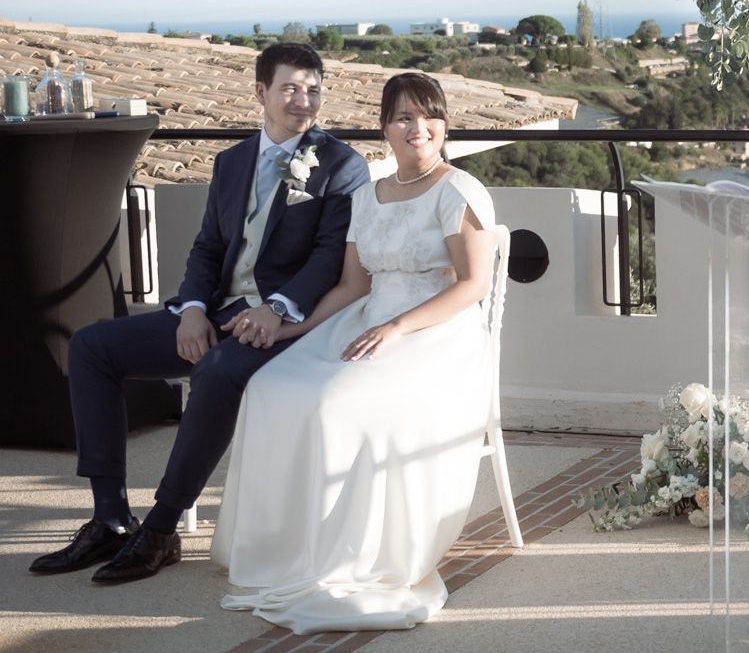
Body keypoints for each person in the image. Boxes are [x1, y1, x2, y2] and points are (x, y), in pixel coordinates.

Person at [28, 43, 370, 584]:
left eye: (313, 90)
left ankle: (161, 529)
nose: (304, 101)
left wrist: (276, 309)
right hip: (215, 311)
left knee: (215, 370)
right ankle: (111, 518)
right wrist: (190, 310)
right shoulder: (231, 161)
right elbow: (208, 247)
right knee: (92, 347)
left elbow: (331, 258)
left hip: (288, 324)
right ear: (261, 92)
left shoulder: (343, 166)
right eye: (290, 88)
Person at [210, 72, 497, 634]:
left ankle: (342, 557)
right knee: (272, 387)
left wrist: (396, 330)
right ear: (385, 128)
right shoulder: (368, 195)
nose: (419, 128)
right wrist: (292, 329)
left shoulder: (458, 191)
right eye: (404, 117)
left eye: (429, 115)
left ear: (444, 124)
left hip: (437, 334)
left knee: (333, 405)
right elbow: (351, 287)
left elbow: (472, 285)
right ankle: (281, 547)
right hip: (367, 320)